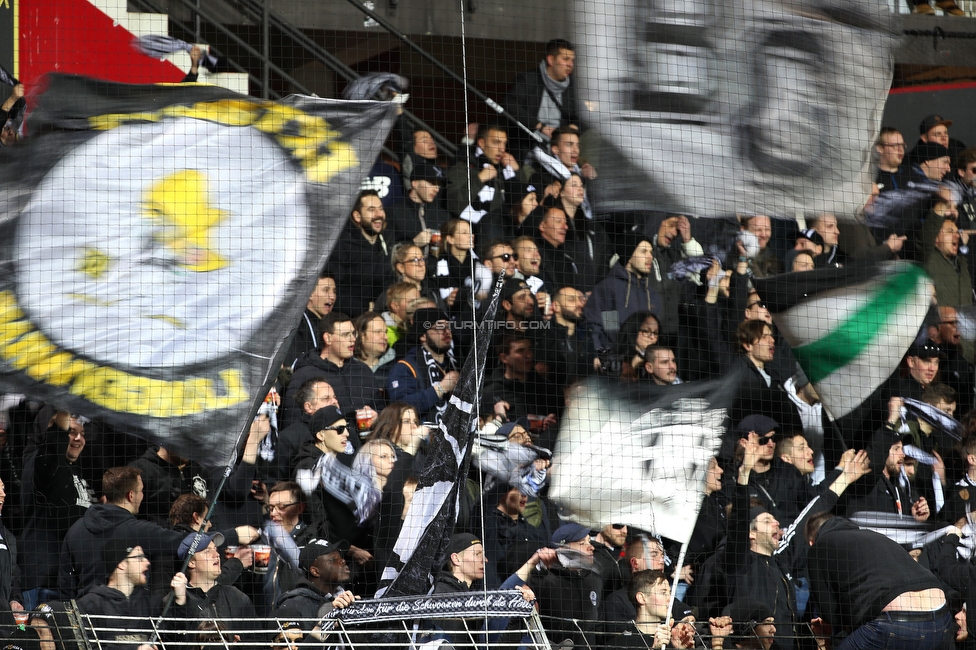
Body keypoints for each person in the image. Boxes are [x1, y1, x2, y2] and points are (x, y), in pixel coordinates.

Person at [806, 511, 953, 649]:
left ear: (811, 542)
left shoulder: (819, 547)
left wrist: (823, 640)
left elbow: (830, 615)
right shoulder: (872, 535)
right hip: (941, 618)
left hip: (895, 625)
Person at [20, 409, 95, 609]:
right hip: (43, 582)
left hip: (69, 584)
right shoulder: (43, 462)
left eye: (83, 434)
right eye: (71, 432)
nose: (78, 439)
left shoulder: (77, 471)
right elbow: (52, 447)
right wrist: (63, 405)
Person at [75, 539, 186, 650]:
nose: (147, 562)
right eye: (139, 557)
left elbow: (174, 641)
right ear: (121, 564)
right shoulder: (89, 605)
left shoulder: (151, 601)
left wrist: (180, 601)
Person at [283, 312, 381, 433]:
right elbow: (292, 425)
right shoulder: (303, 375)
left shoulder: (363, 371)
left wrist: (377, 417)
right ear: (328, 338)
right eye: (346, 335)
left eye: (353, 333)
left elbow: (381, 410)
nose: (353, 339)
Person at [504, 39, 581, 163]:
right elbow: (510, 105)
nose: (570, 64)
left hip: (560, 153)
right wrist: (540, 126)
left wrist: (575, 126)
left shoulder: (573, 86)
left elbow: (584, 115)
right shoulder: (528, 79)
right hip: (528, 148)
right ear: (551, 60)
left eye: (572, 60)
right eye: (566, 59)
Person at [584, 233, 664, 352]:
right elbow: (605, 329)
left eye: (651, 252)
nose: (650, 257)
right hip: (618, 361)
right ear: (629, 256)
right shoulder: (610, 288)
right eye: (644, 251)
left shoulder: (653, 295)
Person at [528, 523, 603, 649]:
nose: (591, 547)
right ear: (563, 547)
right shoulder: (543, 579)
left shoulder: (595, 579)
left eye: (589, 541)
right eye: (582, 543)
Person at [325, 190, 395, 317]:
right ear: (357, 216)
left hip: (380, 314)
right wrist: (364, 308)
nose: (379, 214)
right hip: (347, 318)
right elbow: (332, 291)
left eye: (381, 209)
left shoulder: (387, 240)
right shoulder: (342, 246)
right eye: (371, 210)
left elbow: (388, 282)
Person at [386, 308, 460, 425]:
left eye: (448, 326)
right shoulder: (405, 367)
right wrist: (440, 389)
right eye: (439, 327)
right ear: (423, 336)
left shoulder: (457, 364)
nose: (446, 332)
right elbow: (399, 406)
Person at [271, 539, 357, 626]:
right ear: (315, 571)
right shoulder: (294, 604)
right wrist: (327, 617)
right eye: (333, 559)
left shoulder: (346, 599)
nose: (343, 561)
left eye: (341, 557)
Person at [386, 161, 450, 249]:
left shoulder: (443, 215)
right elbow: (386, 251)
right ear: (415, 183)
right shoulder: (393, 213)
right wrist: (414, 243)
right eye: (431, 183)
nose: (436, 189)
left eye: (438, 185)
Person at [283, 273, 337, 370]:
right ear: (310, 293)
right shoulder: (297, 323)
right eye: (326, 290)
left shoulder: (329, 324)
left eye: (334, 291)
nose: (332, 296)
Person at [875, 127, 912, 193]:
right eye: (895, 145)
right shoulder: (869, 179)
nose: (901, 149)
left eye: (902, 145)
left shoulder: (913, 175)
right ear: (880, 149)